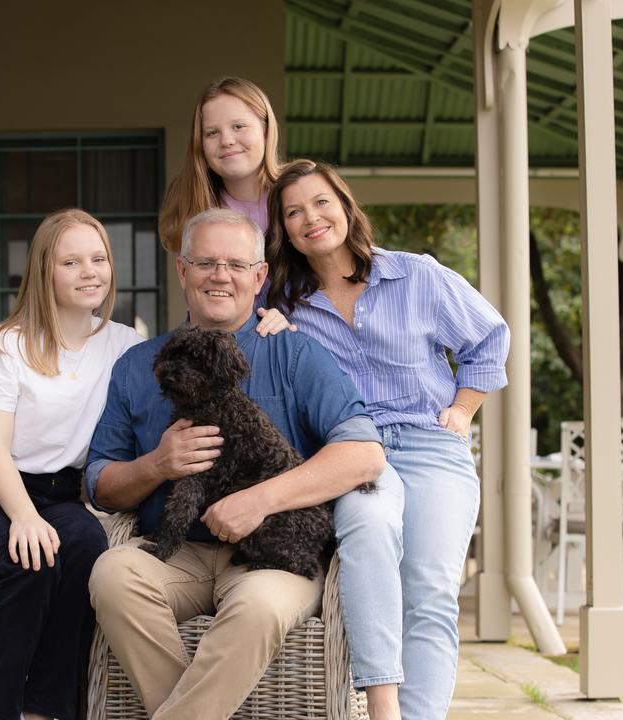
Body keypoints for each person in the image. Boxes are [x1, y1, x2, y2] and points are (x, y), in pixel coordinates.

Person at [0, 208, 295, 720]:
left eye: (99, 258)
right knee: (31, 560)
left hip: (62, 494)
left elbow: (204, 325)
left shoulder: (124, 344)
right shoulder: (7, 344)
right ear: (44, 271)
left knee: (85, 549)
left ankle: (50, 709)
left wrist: (269, 314)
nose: (90, 271)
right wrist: (22, 516)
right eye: (71, 262)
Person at [86, 208, 391, 720]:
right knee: (112, 574)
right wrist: (158, 465)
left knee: (259, 607)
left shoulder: (295, 355)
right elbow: (102, 485)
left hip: (271, 556)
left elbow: (364, 455)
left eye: (234, 263)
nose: (219, 275)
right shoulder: (139, 365)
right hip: (175, 553)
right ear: (182, 272)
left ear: (258, 277)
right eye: (205, 262)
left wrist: (258, 500)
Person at [266, 159, 510, 720]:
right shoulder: (285, 306)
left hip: (430, 446)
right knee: (368, 530)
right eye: (294, 211)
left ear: (346, 206)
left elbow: (490, 336)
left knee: (428, 592)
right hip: (353, 453)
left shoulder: (415, 275)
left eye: (321, 202)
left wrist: (463, 409)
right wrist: (275, 330)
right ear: (284, 230)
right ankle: (381, 706)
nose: (311, 218)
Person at [157, 76, 282, 253]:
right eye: (212, 133)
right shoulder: (191, 205)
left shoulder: (298, 196)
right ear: (200, 144)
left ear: (266, 131)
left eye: (239, 126)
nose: (227, 141)